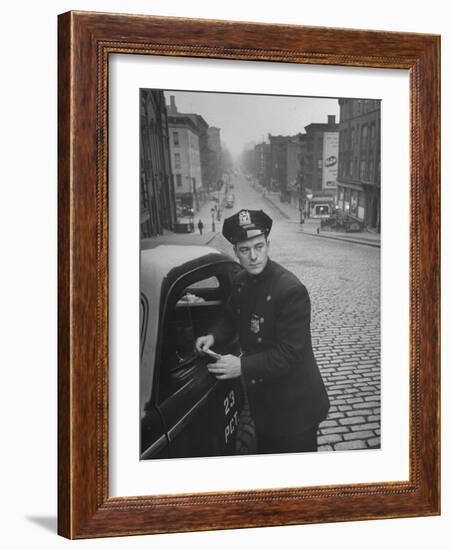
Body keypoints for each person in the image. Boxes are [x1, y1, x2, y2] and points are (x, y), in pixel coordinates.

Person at [196, 208, 330, 454]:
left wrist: (241, 366)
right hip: (264, 405)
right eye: (245, 250)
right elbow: (230, 316)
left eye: (259, 247)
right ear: (236, 252)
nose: (254, 256)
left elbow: (290, 353)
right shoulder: (240, 283)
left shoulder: (290, 290)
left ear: (268, 244)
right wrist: (213, 335)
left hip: (295, 410)